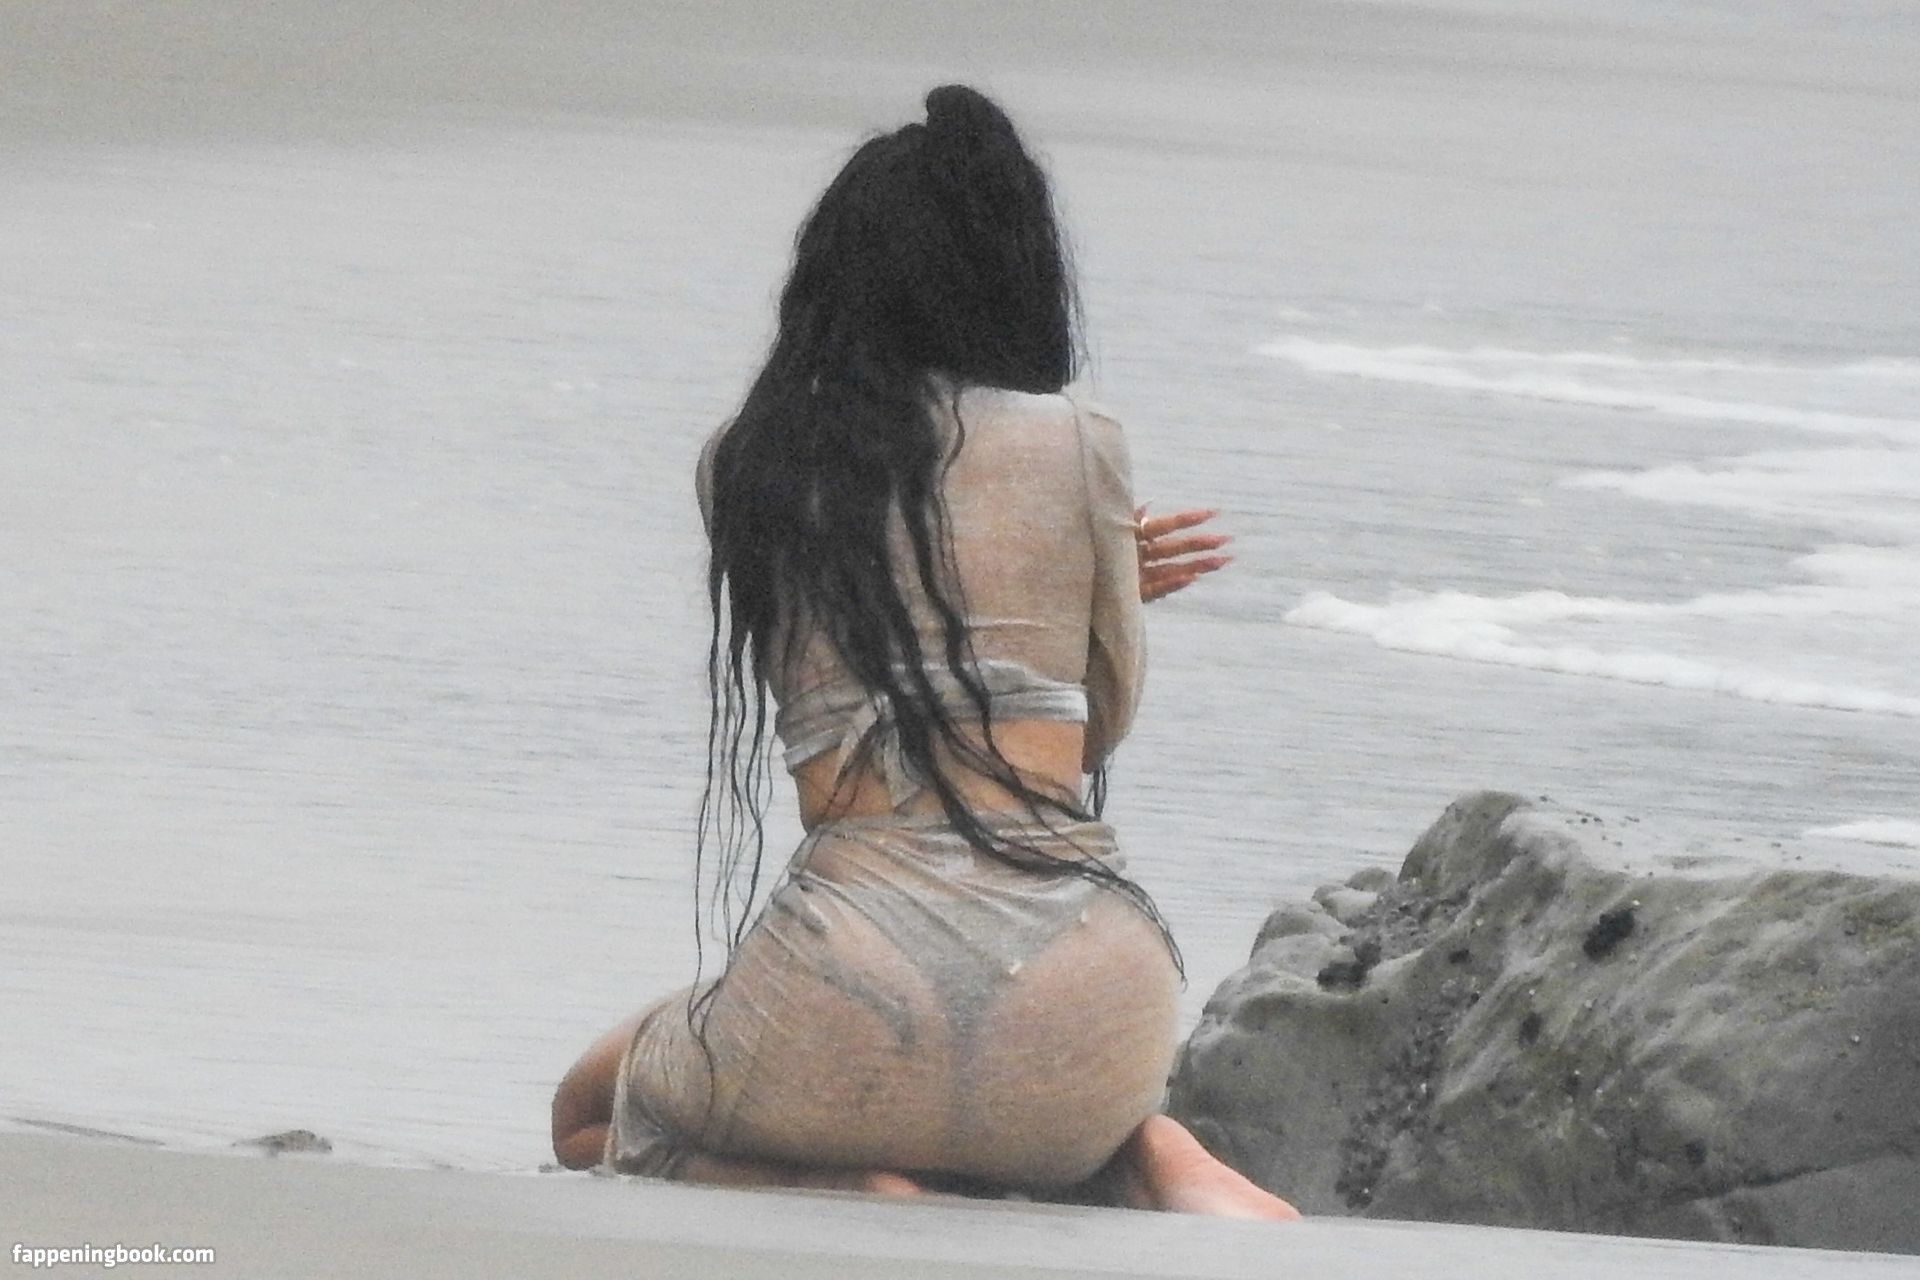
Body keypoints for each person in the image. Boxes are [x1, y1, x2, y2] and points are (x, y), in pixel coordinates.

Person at [551, 85, 1297, 1219]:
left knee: (590, 1116)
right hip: (1090, 989)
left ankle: (846, 1183)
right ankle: (1161, 1162)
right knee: (1083, 1131)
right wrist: (1099, 587)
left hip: (845, 981)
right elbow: (1095, 726)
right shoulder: (1084, 443)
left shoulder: (749, 463)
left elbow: (859, 665)